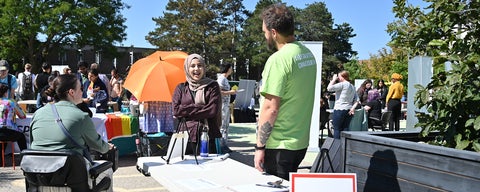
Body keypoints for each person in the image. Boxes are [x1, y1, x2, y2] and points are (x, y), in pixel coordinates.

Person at [254, 3, 317, 181]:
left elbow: (270, 109)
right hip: (300, 142)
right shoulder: (307, 55)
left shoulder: (278, 60)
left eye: (265, 32)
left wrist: (259, 147)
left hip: (279, 145)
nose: (265, 35)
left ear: (274, 32)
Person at [29, 74, 114, 191]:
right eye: (80, 89)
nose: (82, 92)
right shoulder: (81, 117)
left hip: (39, 179)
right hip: (71, 181)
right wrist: (108, 147)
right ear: (71, 92)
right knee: (107, 169)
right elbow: (100, 146)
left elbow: (33, 143)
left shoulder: (38, 114)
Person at [171, 54, 222, 155]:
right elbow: (176, 111)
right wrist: (201, 108)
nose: (196, 69)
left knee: (209, 168)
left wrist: (185, 111)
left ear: (204, 67)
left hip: (207, 135)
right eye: (192, 66)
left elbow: (212, 111)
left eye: (199, 65)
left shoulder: (212, 86)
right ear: (187, 68)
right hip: (185, 137)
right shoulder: (180, 88)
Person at [327, 70, 360, 139]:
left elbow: (329, 88)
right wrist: (352, 108)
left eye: (338, 77)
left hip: (340, 109)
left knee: (337, 129)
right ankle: (344, 146)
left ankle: (337, 146)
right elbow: (357, 100)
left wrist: (333, 80)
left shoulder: (343, 84)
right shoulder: (352, 86)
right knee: (345, 129)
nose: (338, 78)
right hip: (349, 109)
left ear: (342, 77)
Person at [0, 83, 27, 153]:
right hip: (8, 132)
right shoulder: (11, 102)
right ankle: (25, 156)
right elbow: (23, 116)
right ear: (6, 92)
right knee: (21, 136)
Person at [216, 63, 236, 153]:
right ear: (227, 69)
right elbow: (219, 91)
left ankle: (224, 144)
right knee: (223, 125)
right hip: (222, 105)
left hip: (226, 105)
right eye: (231, 68)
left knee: (226, 126)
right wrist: (230, 92)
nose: (231, 70)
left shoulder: (225, 79)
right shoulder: (221, 79)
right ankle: (221, 145)